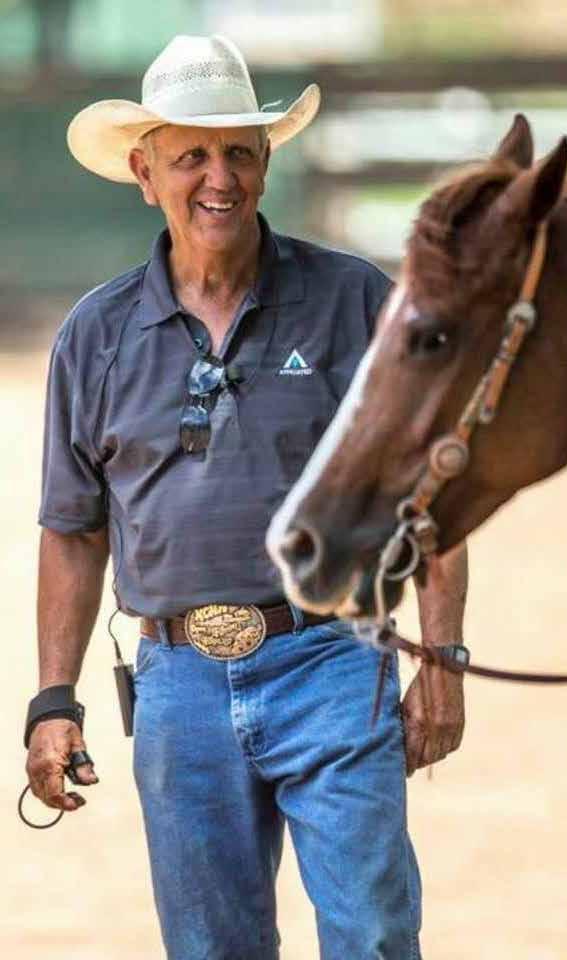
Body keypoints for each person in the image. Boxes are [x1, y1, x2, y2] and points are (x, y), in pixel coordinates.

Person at [24, 34, 468, 960]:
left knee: (374, 935)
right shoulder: (95, 335)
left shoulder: (354, 301)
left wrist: (442, 658)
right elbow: (72, 530)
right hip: (176, 686)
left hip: (334, 663)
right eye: (190, 155)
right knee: (211, 950)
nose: (217, 178)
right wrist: (53, 699)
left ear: (266, 162)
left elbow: (431, 492)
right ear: (144, 173)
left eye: (238, 152)